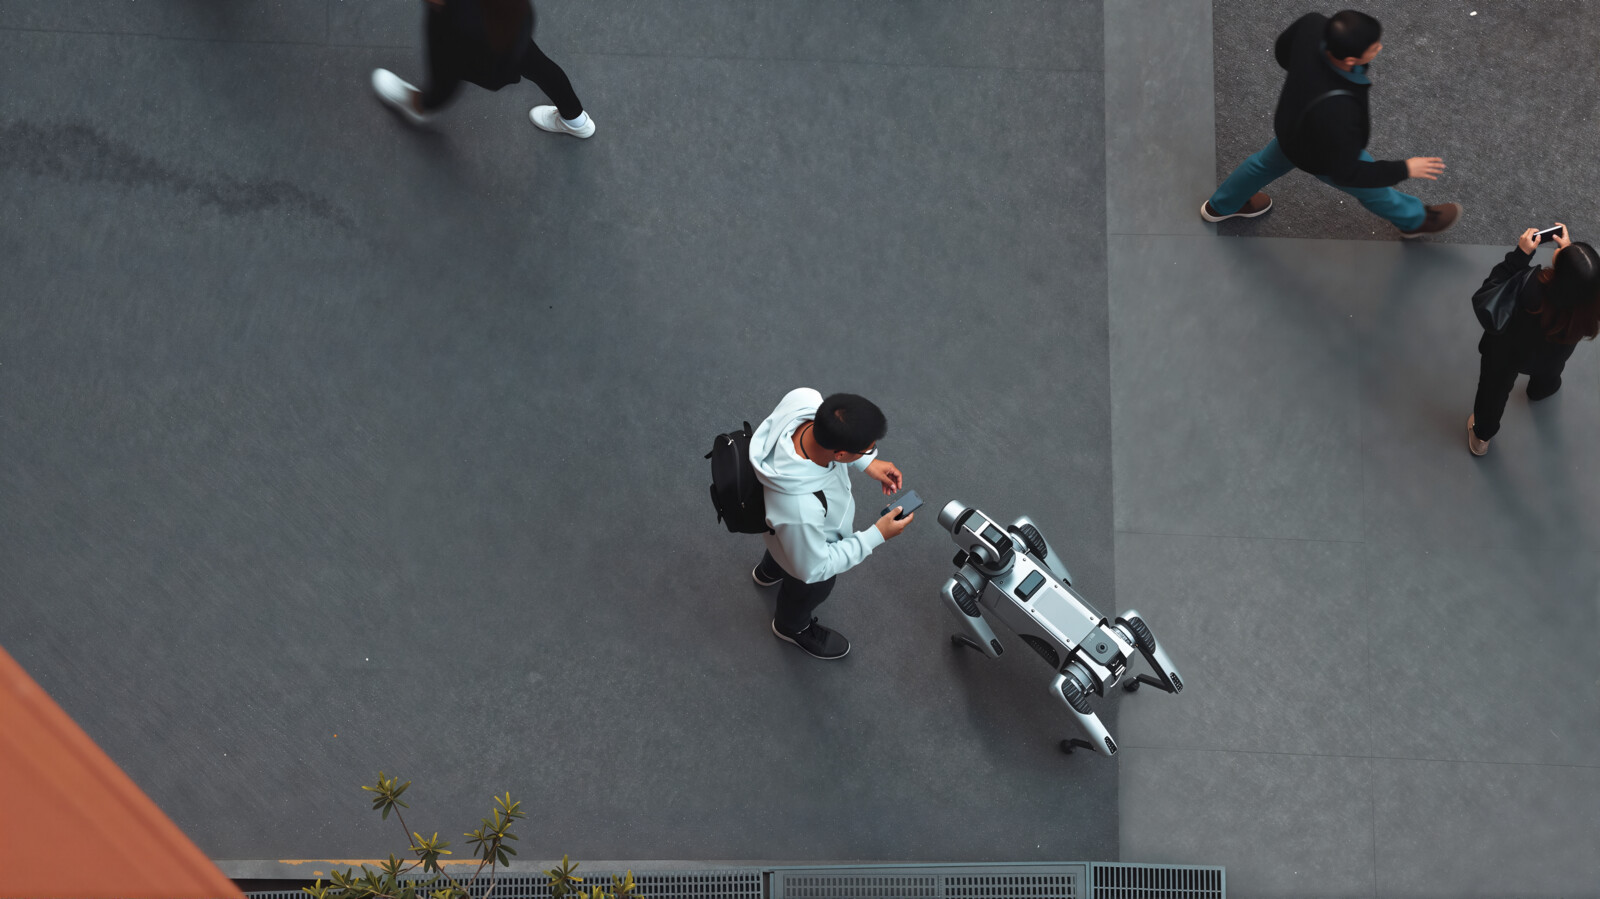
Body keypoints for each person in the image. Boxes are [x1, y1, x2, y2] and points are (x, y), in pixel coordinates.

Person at [1201, 10, 1459, 238]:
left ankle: (1220, 206)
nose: (1379, 48)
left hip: (1291, 128)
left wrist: (1306, 76)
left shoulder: (1312, 25)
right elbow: (1347, 173)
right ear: (1350, 61)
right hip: (1321, 152)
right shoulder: (1338, 111)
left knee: (1261, 165)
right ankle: (1414, 220)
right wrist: (1405, 168)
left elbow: (1283, 52)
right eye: (1374, 47)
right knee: (1374, 190)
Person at [748, 389, 913, 660]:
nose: (870, 452)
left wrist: (867, 462)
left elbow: (796, 536)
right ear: (839, 454)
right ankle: (791, 627)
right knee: (805, 586)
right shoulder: (800, 508)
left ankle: (768, 572)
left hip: (782, 532)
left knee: (784, 550)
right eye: (867, 449)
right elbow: (814, 567)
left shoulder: (804, 399)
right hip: (807, 553)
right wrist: (877, 534)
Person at [371, 0, 594, 139]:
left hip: (470, 34)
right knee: (537, 64)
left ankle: (421, 107)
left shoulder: (456, 22)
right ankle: (575, 119)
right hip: (509, 21)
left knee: (445, 78)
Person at [1467, 224, 1600, 455]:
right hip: (1553, 355)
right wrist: (1570, 256)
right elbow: (1578, 283)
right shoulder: (1590, 304)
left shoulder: (1529, 287)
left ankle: (1482, 436)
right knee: (1550, 371)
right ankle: (1541, 390)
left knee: (1493, 390)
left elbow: (1490, 290)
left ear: (1561, 275)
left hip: (1508, 353)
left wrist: (1520, 255)